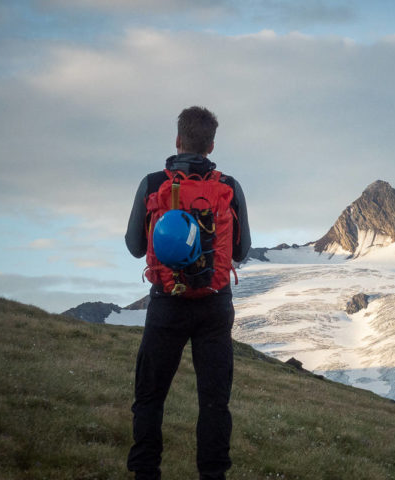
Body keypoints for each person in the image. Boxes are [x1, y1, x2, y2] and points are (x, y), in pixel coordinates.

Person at [123, 106, 251, 480]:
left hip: (166, 302)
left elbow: (134, 246)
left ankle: (145, 472)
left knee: (150, 396)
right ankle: (213, 476)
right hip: (214, 306)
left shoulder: (151, 184)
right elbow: (241, 253)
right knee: (214, 401)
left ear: (177, 140)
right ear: (211, 145)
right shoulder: (229, 186)